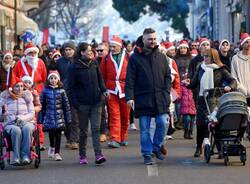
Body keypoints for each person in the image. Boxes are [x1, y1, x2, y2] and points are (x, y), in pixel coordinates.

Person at [125, 28, 171, 165]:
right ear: (143, 39)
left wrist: (166, 91)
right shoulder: (135, 57)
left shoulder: (162, 56)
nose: (153, 41)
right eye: (150, 39)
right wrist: (129, 97)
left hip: (160, 98)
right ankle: (147, 153)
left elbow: (168, 75)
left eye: (154, 39)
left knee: (162, 123)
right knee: (144, 129)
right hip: (142, 98)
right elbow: (130, 79)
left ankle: (156, 147)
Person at [184, 48, 237, 157]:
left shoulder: (221, 69)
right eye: (204, 56)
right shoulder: (200, 68)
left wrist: (229, 87)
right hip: (202, 100)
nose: (205, 58)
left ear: (213, 57)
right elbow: (193, 83)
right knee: (200, 125)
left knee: (216, 125)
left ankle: (219, 148)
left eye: (207, 56)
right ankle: (199, 147)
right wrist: (187, 84)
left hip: (216, 100)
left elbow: (233, 81)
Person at [68, 42, 108, 165]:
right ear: (82, 52)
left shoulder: (94, 63)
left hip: (96, 101)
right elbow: (70, 88)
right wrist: (76, 104)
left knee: (96, 129)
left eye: (91, 50)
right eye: (88, 50)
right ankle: (82, 155)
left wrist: (104, 91)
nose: (91, 52)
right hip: (82, 104)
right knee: (84, 131)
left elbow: (100, 79)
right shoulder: (74, 66)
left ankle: (98, 155)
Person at [13, 42, 47, 150]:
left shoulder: (40, 62)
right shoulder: (19, 64)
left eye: (34, 53)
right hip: (23, 94)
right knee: (25, 116)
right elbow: (14, 79)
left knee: (38, 118)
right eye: (30, 53)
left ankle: (39, 141)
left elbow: (44, 77)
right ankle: (26, 140)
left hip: (38, 92)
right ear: (26, 54)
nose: (32, 55)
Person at [100, 35, 130, 148]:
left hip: (125, 90)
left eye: (114, 47)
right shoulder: (106, 58)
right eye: (110, 46)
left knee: (125, 116)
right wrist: (103, 89)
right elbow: (102, 75)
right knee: (114, 115)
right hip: (111, 90)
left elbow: (133, 74)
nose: (112, 49)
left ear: (119, 46)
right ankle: (115, 138)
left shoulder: (128, 57)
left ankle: (123, 137)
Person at [0, 79, 35, 165]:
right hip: (10, 123)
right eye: (17, 86)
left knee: (27, 129)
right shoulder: (5, 98)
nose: (19, 88)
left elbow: (32, 113)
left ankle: (25, 156)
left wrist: (22, 118)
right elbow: (1, 116)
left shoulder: (27, 98)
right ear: (12, 88)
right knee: (16, 130)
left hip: (26, 122)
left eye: (21, 86)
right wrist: (4, 113)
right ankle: (16, 157)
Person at [39, 70, 71, 161]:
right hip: (49, 116)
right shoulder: (45, 91)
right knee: (51, 134)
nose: (53, 80)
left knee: (58, 134)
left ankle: (57, 153)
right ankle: (52, 146)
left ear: (58, 79)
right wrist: (41, 117)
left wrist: (68, 118)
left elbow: (66, 105)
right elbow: (41, 104)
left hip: (59, 117)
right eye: (51, 78)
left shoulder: (62, 91)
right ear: (48, 80)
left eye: (55, 78)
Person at [56, 41, 79, 150]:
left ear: (74, 50)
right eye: (66, 50)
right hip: (63, 93)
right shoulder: (59, 62)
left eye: (70, 49)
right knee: (65, 118)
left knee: (74, 117)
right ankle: (69, 138)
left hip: (76, 93)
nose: (68, 51)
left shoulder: (78, 61)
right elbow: (54, 76)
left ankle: (74, 140)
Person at [175, 40, 196, 139]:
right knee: (183, 109)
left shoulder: (191, 59)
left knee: (193, 111)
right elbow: (174, 72)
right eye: (181, 48)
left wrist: (191, 80)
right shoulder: (175, 59)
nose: (183, 49)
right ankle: (183, 126)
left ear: (187, 48)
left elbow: (194, 72)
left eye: (184, 48)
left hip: (191, 85)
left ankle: (190, 131)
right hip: (180, 85)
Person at [96, 43, 109, 142]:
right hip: (100, 90)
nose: (99, 52)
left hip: (112, 88)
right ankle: (103, 132)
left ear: (107, 50)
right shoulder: (95, 62)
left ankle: (112, 130)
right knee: (102, 112)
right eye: (98, 51)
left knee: (112, 112)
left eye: (101, 50)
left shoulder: (110, 60)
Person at [231, 33, 250, 97]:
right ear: (242, 44)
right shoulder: (235, 58)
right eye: (246, 42)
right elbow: (233, 76)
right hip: (241, 93)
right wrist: (241, 88)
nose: (249, 44)